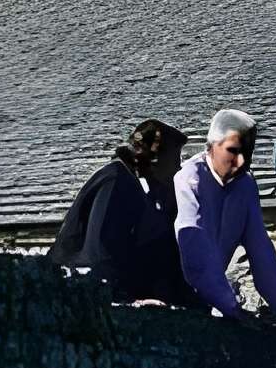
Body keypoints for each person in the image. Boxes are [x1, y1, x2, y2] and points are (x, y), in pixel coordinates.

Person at [173, 110, 276, 323]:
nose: (241, 161)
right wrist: (231, 307)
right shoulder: (189, 179)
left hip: (213, 298)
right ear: (211, 147)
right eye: (233, 151)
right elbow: (194, 245)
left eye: (248, 152)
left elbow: (261, 250)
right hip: (176, 296)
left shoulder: (245, 184)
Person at [51, 121, 192, 304]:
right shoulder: (119, 181)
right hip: (89, 279)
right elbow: (103, 250)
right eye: (175, 160)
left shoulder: (135, 183)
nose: (177, 168)